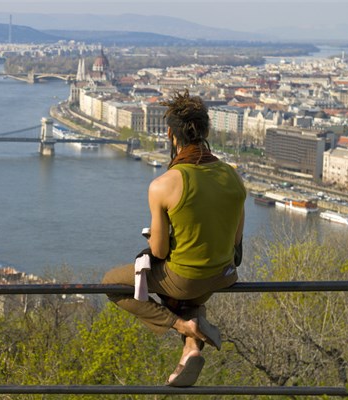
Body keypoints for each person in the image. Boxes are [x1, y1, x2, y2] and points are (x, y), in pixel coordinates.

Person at [102, 89, 246, 387]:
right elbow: (236, 242)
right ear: (207, 131)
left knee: (112, 284)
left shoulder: (163, 184)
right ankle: (191, 347)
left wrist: (163, 238)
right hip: (224, 274)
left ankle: (182, 325)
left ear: (170, 134)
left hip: (185, 279)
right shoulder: (234, 176)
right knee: (192, 278)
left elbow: (158, 249)